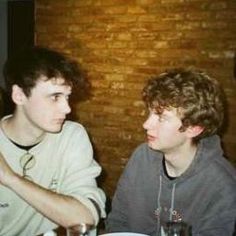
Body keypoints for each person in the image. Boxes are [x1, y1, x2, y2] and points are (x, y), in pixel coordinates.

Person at [106, 68, 236, 236]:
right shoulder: (142, 157)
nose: (146, 124)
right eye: (150, 113)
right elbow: (118, 220)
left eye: (162, 118)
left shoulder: (222, 182)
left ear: (193, 129)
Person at [0, 46, 106, 236]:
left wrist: (11, 179)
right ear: (19, 95)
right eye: (55, 97)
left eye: (67, 97)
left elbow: (84, 219)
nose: (67, 109)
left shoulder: (71, 136)